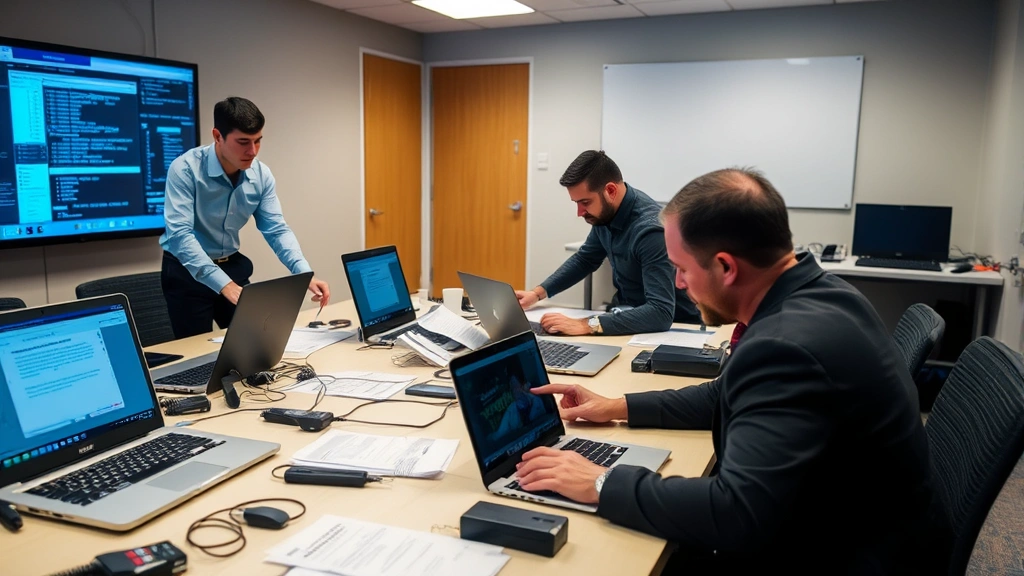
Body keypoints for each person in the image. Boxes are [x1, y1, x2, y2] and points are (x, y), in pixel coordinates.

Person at [514, 168, 949, 574]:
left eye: (682, 269)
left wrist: (602, 482)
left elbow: (736, 514)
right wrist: (616, 405)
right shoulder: (828, 293)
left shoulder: (784, 347)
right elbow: (724, 393)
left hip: (844, 555)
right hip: (857, 524)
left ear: (725, 266)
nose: (678, 284)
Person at [160, 97, 329, 339]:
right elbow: (180, 236)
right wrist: (224, 284)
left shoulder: (261, 175)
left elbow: (276, 229)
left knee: (255, 340)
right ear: (217, 136)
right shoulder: (185, 169)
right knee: (195, 351)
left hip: (232, 265)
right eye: (243, 142)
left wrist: (304, 273)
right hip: (187, 272)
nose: (252, 151)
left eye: (257, 141)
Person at [515, 150, 700, 336]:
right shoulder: (606, 214)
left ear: (611, 191)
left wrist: (586, 325)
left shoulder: (651, 231)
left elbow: (660, 312)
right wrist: (537, 294)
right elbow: (586, 259)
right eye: (576, 203)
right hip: (626, 313)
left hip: (673, 329)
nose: (580, 212)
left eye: (585, 202)